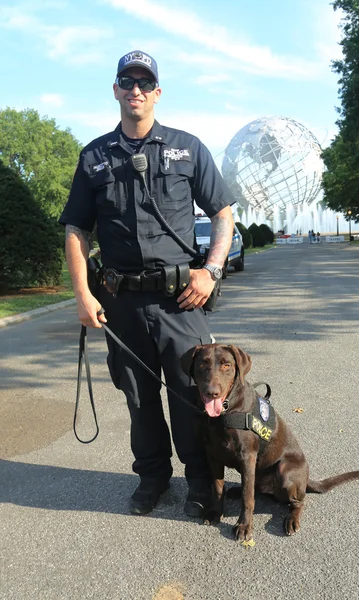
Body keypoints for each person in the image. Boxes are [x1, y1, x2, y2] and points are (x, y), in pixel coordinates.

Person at [59, 49, 235, 518]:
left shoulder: (187, 147)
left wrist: (211, 270)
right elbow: (76, 229)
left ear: (157, 92)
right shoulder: (94, 156)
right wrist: (82, 295)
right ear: (115, 89)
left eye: (144, 82)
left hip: (182, 300)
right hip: (123, 306)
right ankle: (153, 479)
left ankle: (200, 481)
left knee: (193, 397)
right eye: (126, 80)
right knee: (139, 398)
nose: (135, 89)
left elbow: (222, 213)